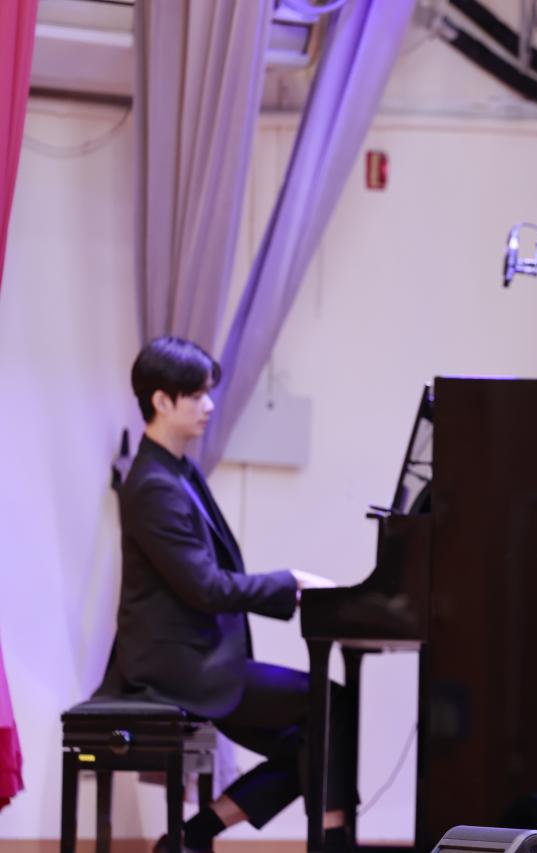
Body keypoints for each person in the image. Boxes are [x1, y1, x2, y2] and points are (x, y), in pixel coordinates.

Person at [95, 336, 352, 853]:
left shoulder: (178, 469)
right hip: (176, 667)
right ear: (161, 400)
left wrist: (288, 586)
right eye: (196, 395)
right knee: (331, 708)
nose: (209, 405)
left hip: (196, 655)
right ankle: (332, 843)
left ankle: (192, 835)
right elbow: (206, 587)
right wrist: (292, 582)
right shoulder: (154, 484)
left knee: (314, 736)